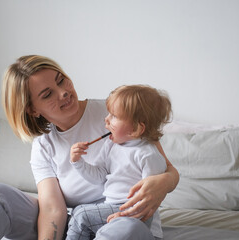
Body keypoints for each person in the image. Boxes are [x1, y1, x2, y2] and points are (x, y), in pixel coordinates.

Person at [0, 55, 179, 240]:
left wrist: (162, 183)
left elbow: (168, 170)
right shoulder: (43, 145)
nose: (64, 92)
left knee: (124, 231)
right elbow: (52, 209)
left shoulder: (118, 114)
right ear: (32, 109)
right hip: (73, 227)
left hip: (122, 222)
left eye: (61, 80)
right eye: (47, 93)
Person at [66, 84, 171, 240]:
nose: (106, 119)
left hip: (135, 216)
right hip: (113, 209)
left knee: (81, 214)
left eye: (114, 116)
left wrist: (126, 216)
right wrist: (78, 162)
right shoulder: (111, 145)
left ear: (136, 129)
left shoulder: (149, 155)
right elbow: (98, 176)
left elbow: (149, 201)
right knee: (77, 213)